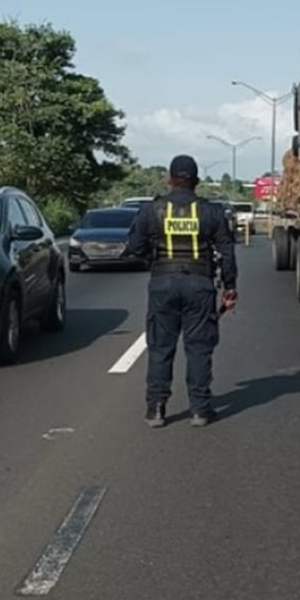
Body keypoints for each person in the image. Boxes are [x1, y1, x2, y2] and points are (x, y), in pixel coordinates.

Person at [124, 155, 238, 428]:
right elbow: (227, 252)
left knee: (160, 347)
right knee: (198, 348)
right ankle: (200, 409)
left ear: (169, 179)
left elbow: (135, 247)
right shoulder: (210, 212)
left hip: (163, 282)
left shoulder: (153, 210)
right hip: (200, 285)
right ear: (196, 181)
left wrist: (154, 258)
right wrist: (230, 287)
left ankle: (156, 409)